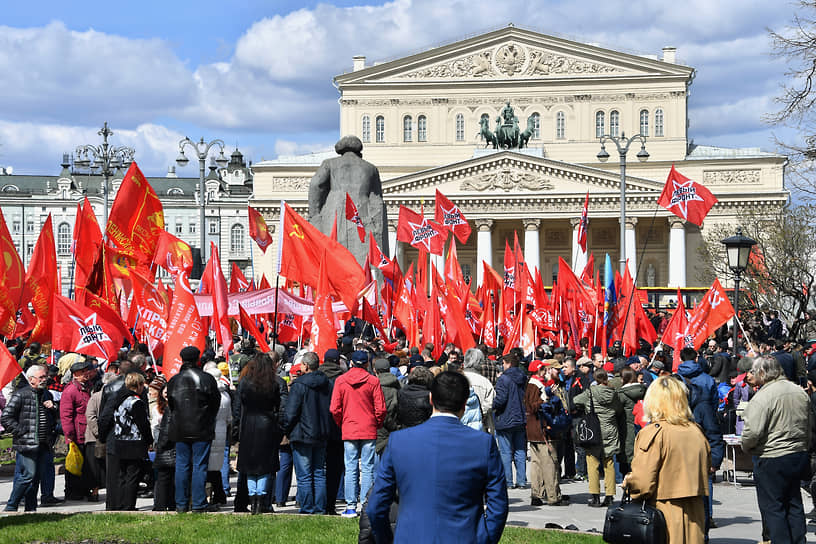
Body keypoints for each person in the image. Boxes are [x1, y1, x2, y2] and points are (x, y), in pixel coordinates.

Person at [366, 371, 508, 543]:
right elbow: (498, 505)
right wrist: (485, 539)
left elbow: (376, 506)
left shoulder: (399, 441)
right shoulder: (483, 443)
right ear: (465, 403)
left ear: (431, 398)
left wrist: (386, 539)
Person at [623, 375, 711, 544]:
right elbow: (706, 468)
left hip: (663, 511)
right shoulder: (696, 431)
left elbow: (642, 482)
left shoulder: (654, 432)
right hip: (695, 511)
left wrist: (629, 482)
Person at [741, 355, 810, 543]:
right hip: (797, 453)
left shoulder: (763, 396)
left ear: (763, 373)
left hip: (772, 455)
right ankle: (798, 540)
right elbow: (809, 424)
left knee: (774, 507)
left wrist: (746, 446)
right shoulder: (799, 391)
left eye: (754, 372)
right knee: (794, 503)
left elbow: (752, 432)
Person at [330, 350, 386, 518]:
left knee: (351, 468)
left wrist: (342, 422)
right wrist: (376, 422)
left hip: (350, 427)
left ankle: (350, 505)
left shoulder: (341, 381)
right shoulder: (373, 381)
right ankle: (365, 505)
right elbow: (381, 408)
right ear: (367, 363)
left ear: (351, 363)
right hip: (368, 427)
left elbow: (334, 408)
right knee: (368, 468)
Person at [166, 346, 221, 513]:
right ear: (198, 359)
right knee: (199, 466)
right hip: (201, 427)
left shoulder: (174, 380)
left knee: (182, 465)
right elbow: (215, 403)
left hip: (180, 428)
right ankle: (198, 503)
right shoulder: (206, 379)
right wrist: (208, 418)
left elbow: (171, 405)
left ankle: (181, 503)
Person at [1, 365, 58, 512]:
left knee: (36, 478)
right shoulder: (21, 395)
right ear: (31, 379)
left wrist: (53, 408)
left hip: (44, 443)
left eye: (45, 377)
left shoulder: (46, 394)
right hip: (28, 443)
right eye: (41, 377)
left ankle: (31, 509)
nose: (44, 380)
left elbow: (52, 418)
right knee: (28, 475)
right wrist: (21, 432)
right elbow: (6, 417)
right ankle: (11, 506)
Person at [281, 352, 331, 514]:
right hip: (321, 432)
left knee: (304, 476)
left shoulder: (299, 385)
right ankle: (320, 507)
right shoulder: (327, 384)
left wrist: (286, 429)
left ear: (306, 366)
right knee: (318, 473)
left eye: (302, 364)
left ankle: (308, 508)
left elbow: (290, 412)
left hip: (302, 433)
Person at [236, 352, 282, 515]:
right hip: (267, 425)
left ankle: (252, 498)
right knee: (264, 466)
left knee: (250, 466)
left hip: (248, 425)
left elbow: (239, 404)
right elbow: (277, 405)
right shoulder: (273, 383)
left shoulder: (245, 382)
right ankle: (260, 500)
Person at [573, 368, 623, 507]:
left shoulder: (590, 392)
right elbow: (619, 410)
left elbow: (576, 400)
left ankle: (594, 495)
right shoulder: (613, 393)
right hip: (610, 429)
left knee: (592, 463)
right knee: (609, 463)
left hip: (593, 429)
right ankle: (610, 496)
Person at [106, 373, 152, 511]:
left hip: (120, 440)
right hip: (134, 442)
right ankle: (129, 504)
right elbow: (143, 424)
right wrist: (149, 440)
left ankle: (120, 502)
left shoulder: (119, 400)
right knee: (133, 475)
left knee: (122, 475)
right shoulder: (135, 402)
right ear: (138, 385)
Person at [525, 360, 568, 506]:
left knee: (536, 464)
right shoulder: (536, 385)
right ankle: (553, 496)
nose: (545, 372)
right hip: (542, 429)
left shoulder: (534, 383)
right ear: (538, 370)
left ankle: (536, 494)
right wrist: (546, 398)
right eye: (543, 369)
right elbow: (532, 407)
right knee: (550, 463)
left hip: (533, 430)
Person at [59, 358, 95, 501]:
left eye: (86, 371)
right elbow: (66, 415)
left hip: (87, 432)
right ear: (75, 374)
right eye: (82, 372)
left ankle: (84, 489)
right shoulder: (71, 391)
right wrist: (69, 435)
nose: (86, 374)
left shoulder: (87, 386)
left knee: (86, 464)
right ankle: (72, 491)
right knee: (74, 464)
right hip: (77, 433)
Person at [493, 352, 528, 489]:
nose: (502, 366)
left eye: (503, 363)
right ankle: (521, 480)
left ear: (508, 363)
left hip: (505, 417)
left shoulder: (504, 379)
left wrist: (492, 405)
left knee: (506, 451)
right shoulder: (523, 377)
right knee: (520, 450)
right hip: (520, 416)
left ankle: (508, 481)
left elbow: (501, 400)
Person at [204, 364, 231, 506]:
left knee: (207, 466)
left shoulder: (209, 394)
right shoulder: (226, 395)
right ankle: (220, 494)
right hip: (221, 433)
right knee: (217, 465)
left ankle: (214, 495)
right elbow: (229, 418)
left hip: (209, 432)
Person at [463, 348, 496, 433]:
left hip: (459, 425)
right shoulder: (485, 382)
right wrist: (480, 413)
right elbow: (490, 403)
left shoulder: (454, 379)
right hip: (481, 426)